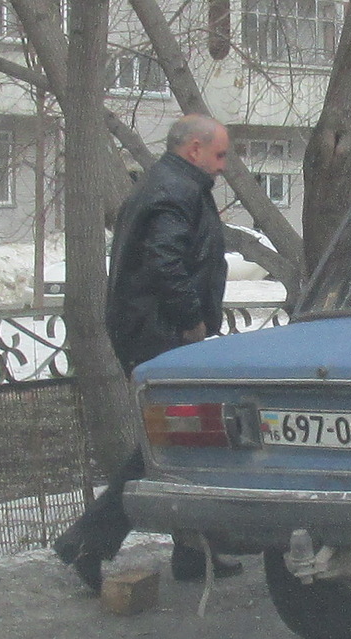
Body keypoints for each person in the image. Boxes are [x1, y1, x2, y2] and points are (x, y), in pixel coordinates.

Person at [53, 114, 243, 594]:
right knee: (166, 444)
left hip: (151, 330)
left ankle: (191, 552)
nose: (223, 166)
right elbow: (165, 261)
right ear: (194, 148)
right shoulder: (175, 191)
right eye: (219, 155)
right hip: (161, 334)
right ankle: (87, 541)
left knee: (184, 441)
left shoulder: (172, 185)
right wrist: (191, 319)